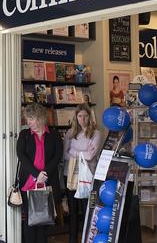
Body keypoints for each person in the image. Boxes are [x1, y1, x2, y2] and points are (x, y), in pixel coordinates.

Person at [16, 103, 63, 243]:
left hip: (47, 184)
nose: (28, 122)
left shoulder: (54, 135)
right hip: (28, 183)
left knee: (43, 221)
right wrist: (37, 174)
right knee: (28, 221)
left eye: (32, 119)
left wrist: (45, 174)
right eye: (27, 119)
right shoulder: (24, 135)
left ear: (41, 118)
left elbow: (57, 156)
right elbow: (21, 156)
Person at [63, 104, 102, 243]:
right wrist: (81, 154)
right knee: (73, 211)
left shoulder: (96, 133)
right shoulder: (70, 133)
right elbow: (64, 155)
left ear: (89, 117)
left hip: (88, 176)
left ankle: (87, 239)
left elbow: (91, 155)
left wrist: (73, 152)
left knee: (87, 210)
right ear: (76, 117)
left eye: (85, 116)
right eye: (80, 116)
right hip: (71, 176)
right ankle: (72, 239)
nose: (82, 119)